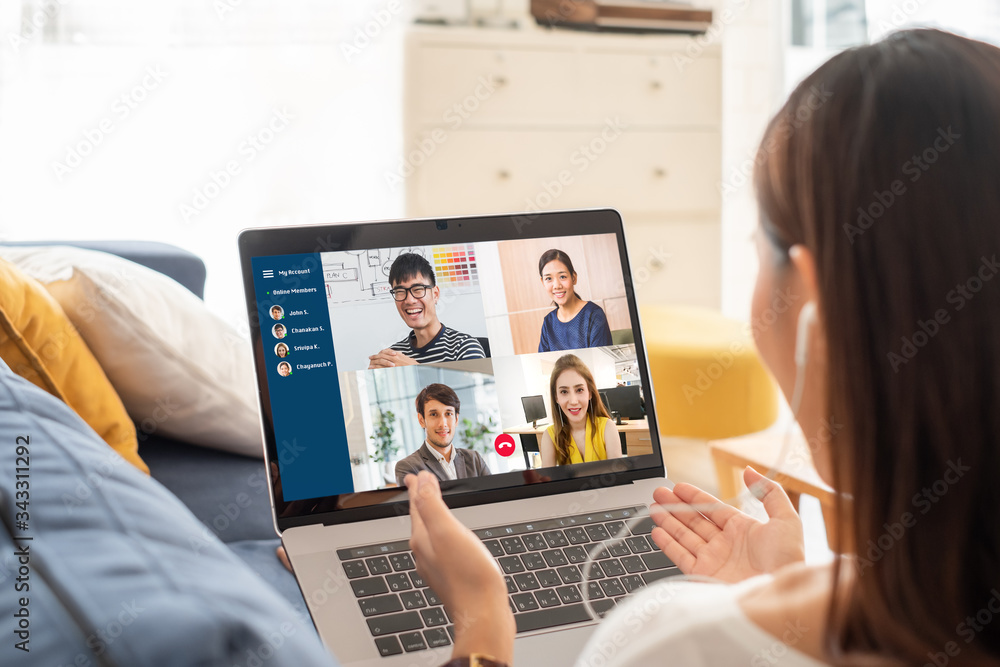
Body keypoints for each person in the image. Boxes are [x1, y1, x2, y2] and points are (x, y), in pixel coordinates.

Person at [403, 30, 1000, 667]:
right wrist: (778, 586)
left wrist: (484, 626)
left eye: (757, 252)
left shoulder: (676, 642)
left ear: (812, 320)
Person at [369, 253, 486, 369]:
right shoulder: (394, 356)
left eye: (418, 289)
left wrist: (413, 367)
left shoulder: (465, 347)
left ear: (435, 294)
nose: (409, 300)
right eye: (400, 292)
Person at [394, 383, 491, 487]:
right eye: (434, 414)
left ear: (456, 419)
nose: (442, 424)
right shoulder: (408, 468)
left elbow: (494, 498)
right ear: (421, 420)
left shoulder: (474, 459)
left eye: (448, 414)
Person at [539, 354, 621, 466]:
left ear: (590, 393)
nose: (573, 401)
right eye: (564, 392)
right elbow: (548, 481)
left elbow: (617, 477)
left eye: (579, 390)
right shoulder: (549, 436)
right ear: (556, 397)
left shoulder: (607, 427)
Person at [537, 249, 613, 352]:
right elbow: (543, 365)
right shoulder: (548, 322)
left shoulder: (594, 314)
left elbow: (600, 363)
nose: (557, 286)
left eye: (562, 277)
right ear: (543, 282)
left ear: (574, 278)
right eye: (548, 279)